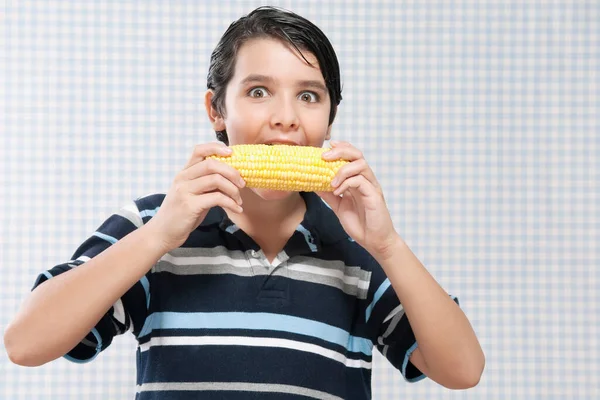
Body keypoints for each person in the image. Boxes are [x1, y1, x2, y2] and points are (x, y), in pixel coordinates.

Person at [4, 6, 484, 399]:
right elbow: (25, 344)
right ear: (216, 109)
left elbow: (463, 370)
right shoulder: (155, 224)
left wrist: (388, 244)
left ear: (330, 121)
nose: (285, 118)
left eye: (309, 96)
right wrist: (158, 236)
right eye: (259, 91)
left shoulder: (356, 249)